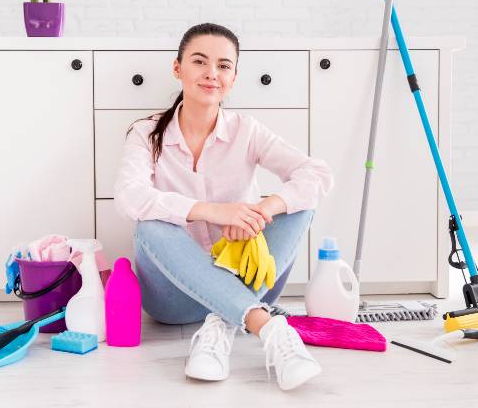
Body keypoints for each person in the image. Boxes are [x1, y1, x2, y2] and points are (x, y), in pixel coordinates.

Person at [114, 22, 334, 391]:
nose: (211, 74)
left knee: (299, 206)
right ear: (177, 68)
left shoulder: (246, 131)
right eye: (199, 61)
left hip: (246, 280)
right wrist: (214, 210)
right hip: (174, 299)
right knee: (150, 223)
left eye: (224, 66)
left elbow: (317, 173)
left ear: (233, 78)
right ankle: (266, 327)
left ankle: (222, 324)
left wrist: (261, 210)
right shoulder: (146, 133)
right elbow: (129, 196)